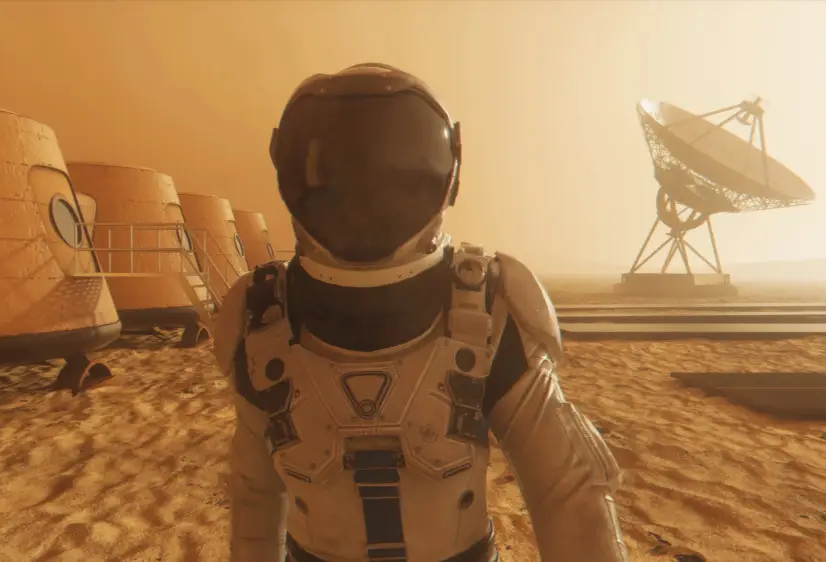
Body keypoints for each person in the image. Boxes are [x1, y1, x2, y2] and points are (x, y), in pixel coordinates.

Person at [213, 63, 629, 562]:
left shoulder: (491, 304)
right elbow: (569, 493)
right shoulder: (485, 306)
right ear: (451, 166)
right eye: (349, 169)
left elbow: (569, 494)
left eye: (387, 171)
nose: (365, 195)